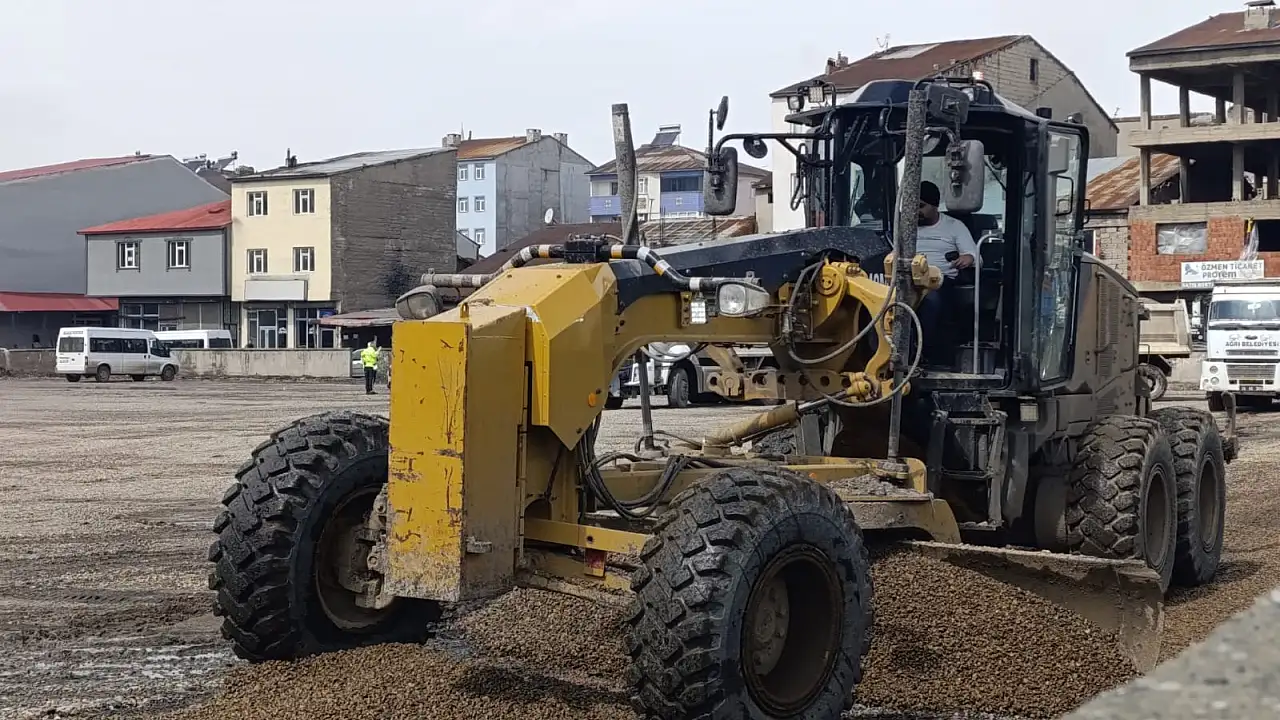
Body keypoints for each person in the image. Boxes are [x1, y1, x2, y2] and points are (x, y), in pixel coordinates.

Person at [913, 180, 978, 367]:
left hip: (939, 280)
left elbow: (974, 255)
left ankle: (923, 354)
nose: (916, 212)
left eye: (921, 206)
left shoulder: (954, 226)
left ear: (935, 206)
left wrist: (968, 258)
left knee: (930, 302)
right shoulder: (906, 226)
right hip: (906, 279)